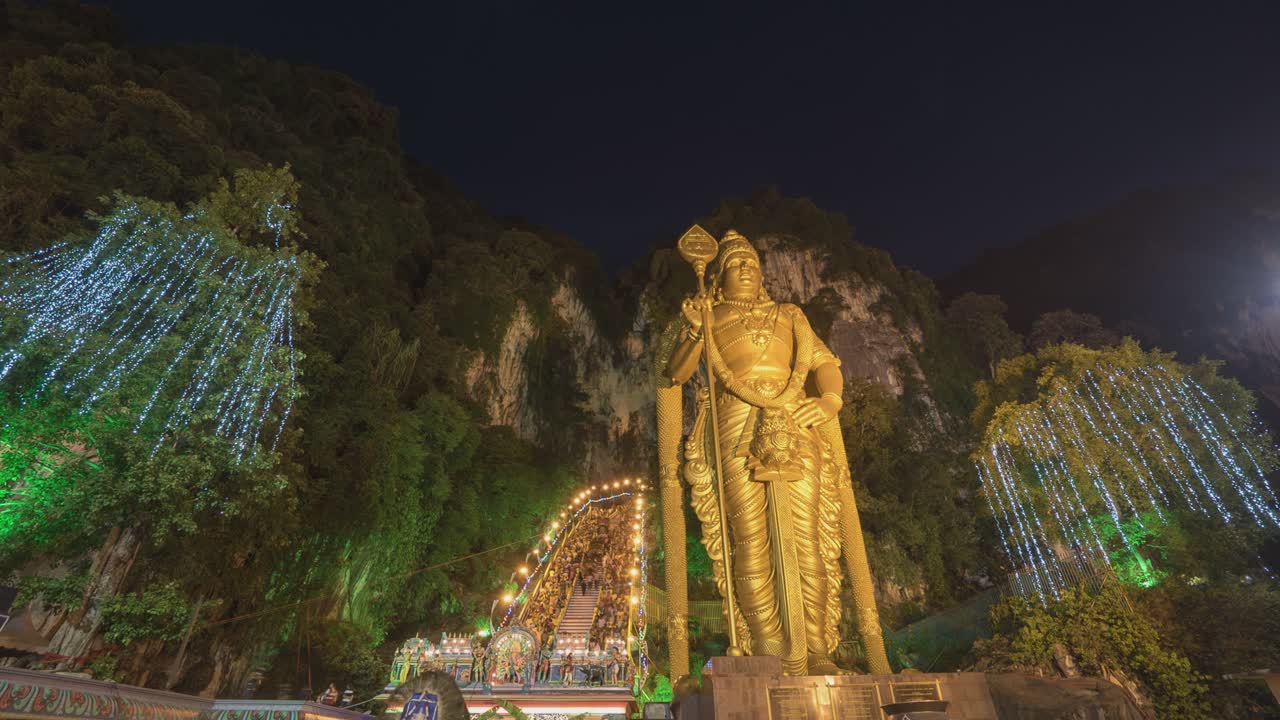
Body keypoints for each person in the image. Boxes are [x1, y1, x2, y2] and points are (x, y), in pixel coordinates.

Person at [661, 229, 886, 675]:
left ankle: (818, 651)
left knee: (809, 540)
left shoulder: (789, 314)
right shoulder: (709, 315)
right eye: (734, 264)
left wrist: (829, 402)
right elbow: (675, 373)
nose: (745, 268)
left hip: (794, 421)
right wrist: (692, 328)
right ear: (719, 277)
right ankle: (767, 649)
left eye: (751, 263)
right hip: (735, 424)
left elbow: (824, 364)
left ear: (763, 275)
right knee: (749, 538)